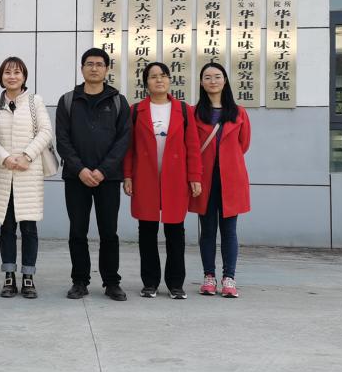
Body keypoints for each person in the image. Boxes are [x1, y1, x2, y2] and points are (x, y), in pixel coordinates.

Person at [55, 48, 132, 301]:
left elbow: (124, 140)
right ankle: (79, 281)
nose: (94, 68)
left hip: (107, 178)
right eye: (89, 64)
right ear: (82, 69)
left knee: (109, 231)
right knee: (78, 231)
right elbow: (62, 140)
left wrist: (102, 170)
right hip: (75, 177)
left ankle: (111, 282)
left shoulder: (118, 101)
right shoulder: (68, 100)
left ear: (107, 69)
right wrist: (80, 169)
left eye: (100, 64)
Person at [123, 62, 202, 299]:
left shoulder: (184, 110)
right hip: (145, 179)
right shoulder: (136, 110)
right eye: (153, 76)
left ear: (169, 80)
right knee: (147, 232)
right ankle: (150, 283)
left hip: (175, 180)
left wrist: (195, 177)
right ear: (146, 83)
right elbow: (129, 148)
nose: (159, 80)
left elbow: (193, 147)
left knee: (175, 231)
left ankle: (176, 284)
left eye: (164, 75)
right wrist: (127, 175)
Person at [0, 56, 54, 299]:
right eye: (7, 72)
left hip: (28, 172)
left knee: (29, 227)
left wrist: (27, 155)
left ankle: (28, 277)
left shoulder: (35, 102)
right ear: (1, 77)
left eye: (17, 72)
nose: (12, 76)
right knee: (6, 227)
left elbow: (46, 131)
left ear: (24, 76)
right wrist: (5, 158)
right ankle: (8, 276)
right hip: (3, 172)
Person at [189, 62, 251, 298]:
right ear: (201, 83)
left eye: (217, 76)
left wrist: (227, 161)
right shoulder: (194, 113)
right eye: (207, 77)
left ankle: (229, 278)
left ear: (225, 80)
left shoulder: (239, 112)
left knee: (229, 230)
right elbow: (191, 146)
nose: (212, 81)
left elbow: (243, 144)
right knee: (207, 230)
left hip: (231, 179)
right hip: (204, 179)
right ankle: (209, 277)